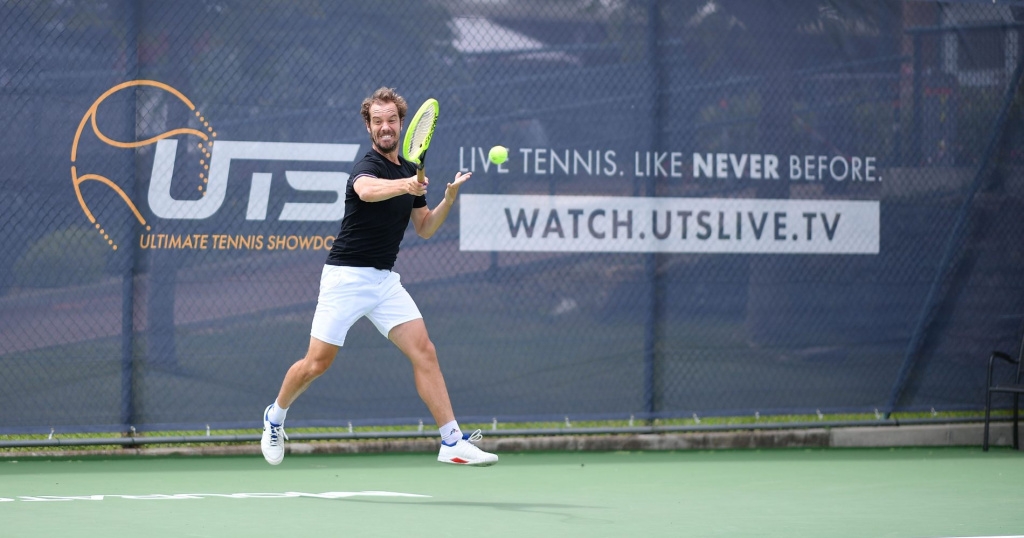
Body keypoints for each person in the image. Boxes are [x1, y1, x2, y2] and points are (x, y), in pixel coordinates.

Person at [260, 87, 497, 466]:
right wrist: (406, 185)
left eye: (391, 120)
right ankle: (275, 416)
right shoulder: (367, 168)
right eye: (377, 121)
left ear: (402, 124)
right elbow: (366, 191)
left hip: (385, 282)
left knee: (425, 350)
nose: (385, 127)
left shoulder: (408, 168)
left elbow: (424, 227)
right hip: (345, 278)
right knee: (316, 364)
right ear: (369, 127)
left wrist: (448, 198)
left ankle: (451, 441)